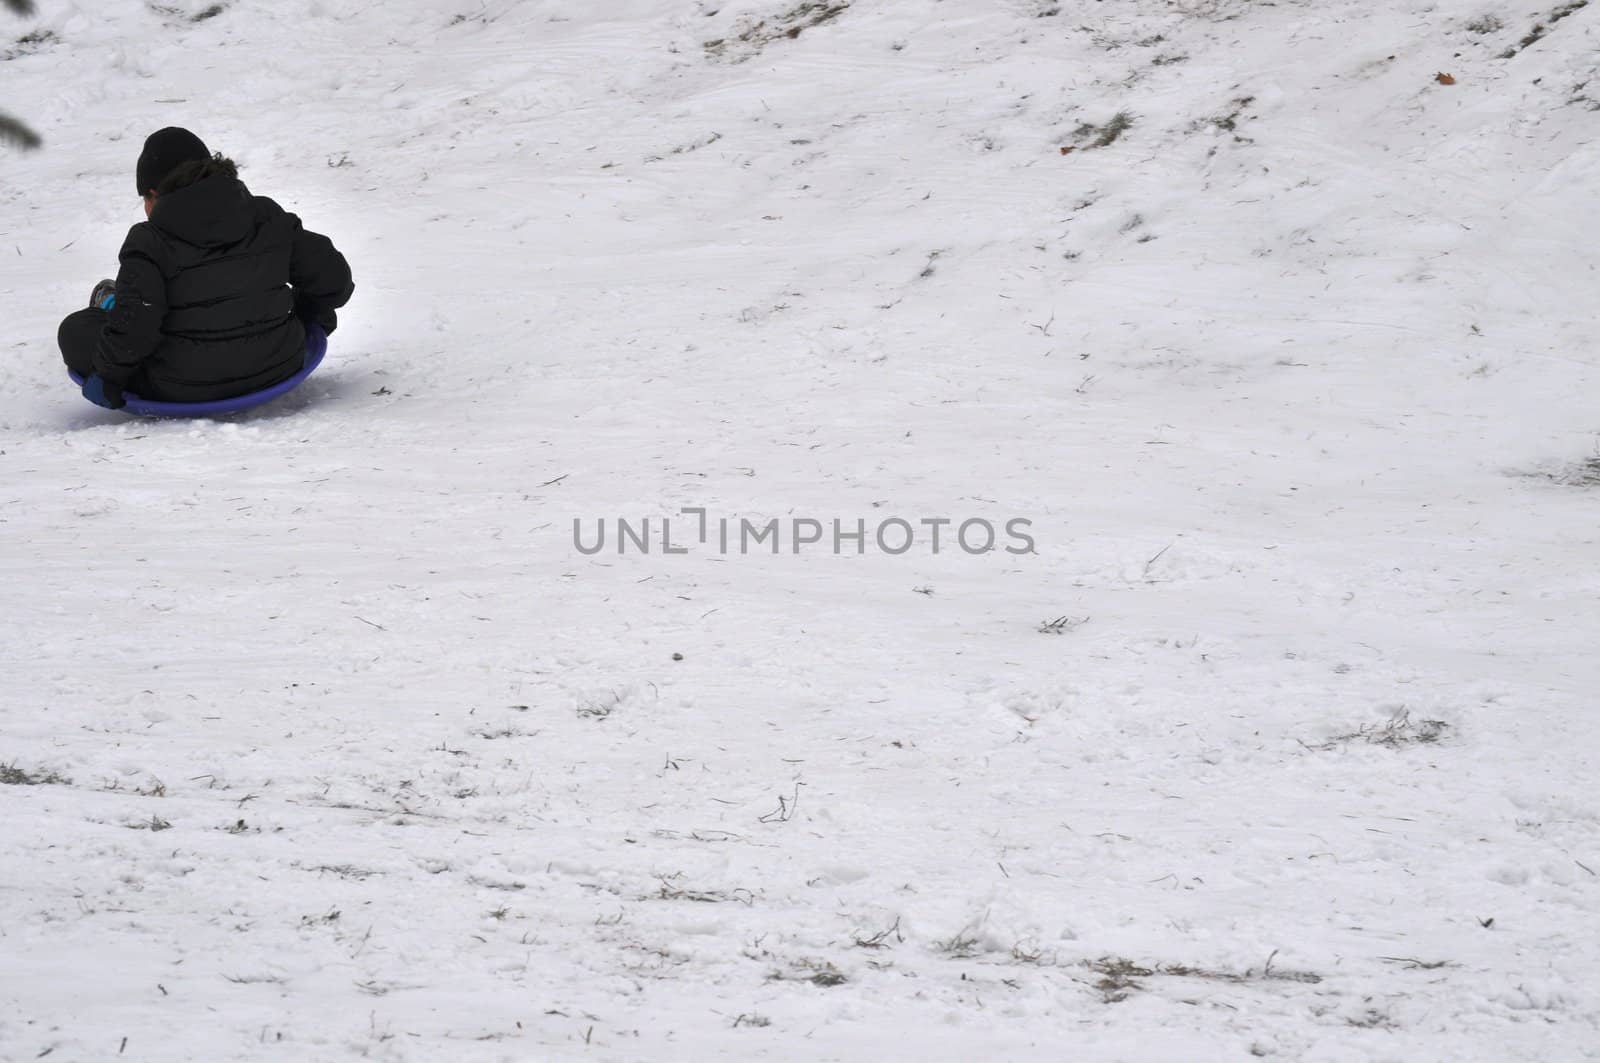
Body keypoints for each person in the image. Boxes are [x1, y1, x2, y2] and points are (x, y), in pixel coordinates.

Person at [58, 127, 354, 409]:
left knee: (75, 329)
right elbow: (333, 280)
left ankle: (110, 304)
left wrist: (108, 377)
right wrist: (309, 316)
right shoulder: (264, 215)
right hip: (279, 365)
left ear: (154, 194)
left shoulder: (150, 240)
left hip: (182, 386)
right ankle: (114, 303)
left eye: (144, 200)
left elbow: (137, 325)